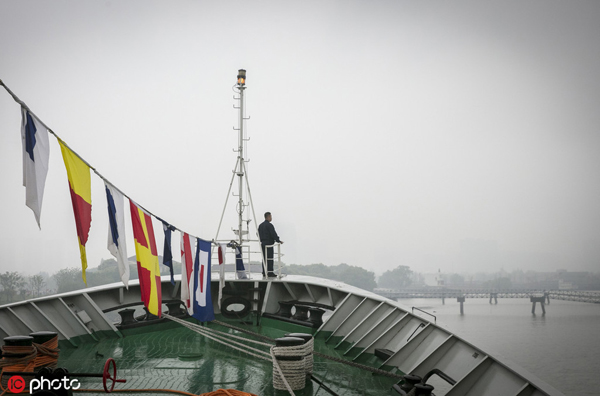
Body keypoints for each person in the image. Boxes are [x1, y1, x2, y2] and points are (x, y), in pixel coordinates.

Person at [258, 212, 283, 278]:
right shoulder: (269, 225)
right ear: (268, 217)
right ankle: (270, 272)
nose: (271, 218)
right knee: (269, 258)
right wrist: (278, 240)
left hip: (263, 243)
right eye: (270, 217)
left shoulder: (260, 225)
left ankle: (264, 272)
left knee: (264, 258)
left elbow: (258, 234)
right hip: (269, 244)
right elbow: (273, 234)